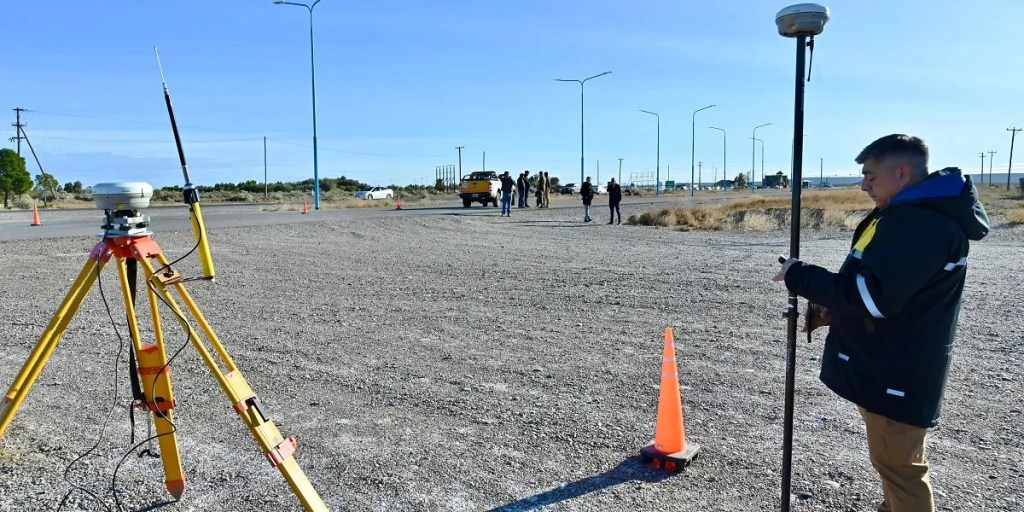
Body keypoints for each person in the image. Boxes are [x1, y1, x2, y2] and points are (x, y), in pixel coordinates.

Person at [773, 134, 989, 512]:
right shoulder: (902, 215)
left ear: (902, 173)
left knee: (901, 470)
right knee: (894, 465)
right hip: (887, 366)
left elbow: (871, 297)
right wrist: (835, 309)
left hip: (898, 373)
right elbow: (880, 288)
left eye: (871, 176)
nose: (863, 185)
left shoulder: (922, 224)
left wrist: (800, 275)